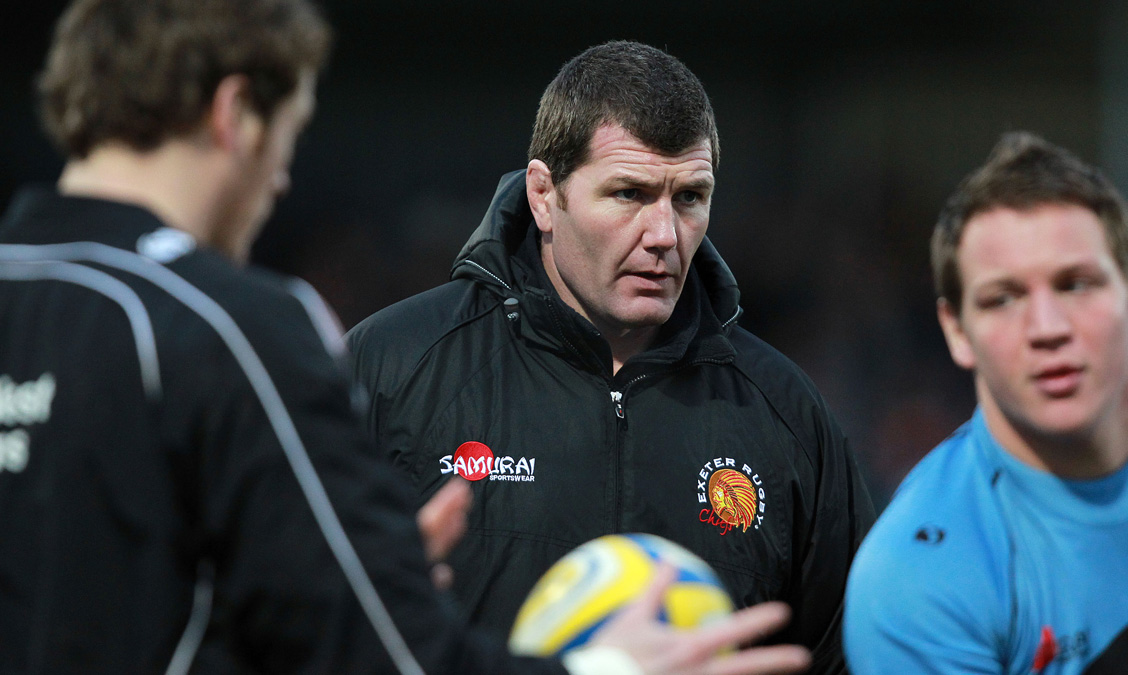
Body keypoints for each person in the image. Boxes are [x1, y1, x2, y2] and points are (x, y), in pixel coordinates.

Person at [0, 2, 813, 674]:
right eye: (291, 131)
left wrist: (325, 576)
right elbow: (383, 651)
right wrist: (608, 668)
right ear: (236, 114)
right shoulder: (232, 326)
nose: (281, 178)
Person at [347, 40, 875, 674]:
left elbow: (851, 658)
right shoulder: (390, 368)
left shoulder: (784, 410)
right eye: (629, 193)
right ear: (544, 195)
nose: (663, 236)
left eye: (689, 198)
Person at [843, 132, 1128, 673]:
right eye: (1002, 299)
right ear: (957, 330)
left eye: (1076, 284)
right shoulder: (917, 575)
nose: (1047, 328)